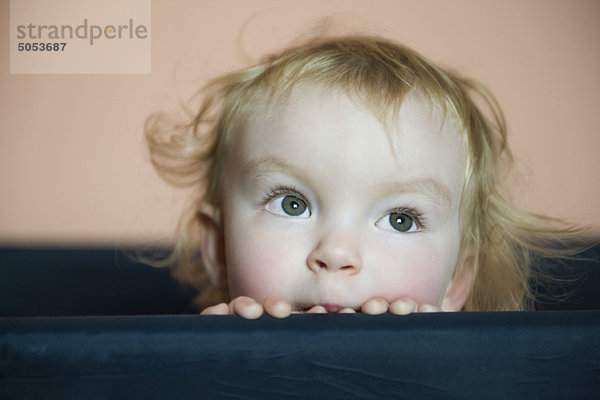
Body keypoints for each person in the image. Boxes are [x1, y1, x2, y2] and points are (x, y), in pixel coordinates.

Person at [145, 35, 583, 319]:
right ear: (219, 248)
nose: (336, 253)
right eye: (291, 203)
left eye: (400, 219)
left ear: (457, 279)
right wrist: (207, 370)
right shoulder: (192, 370)